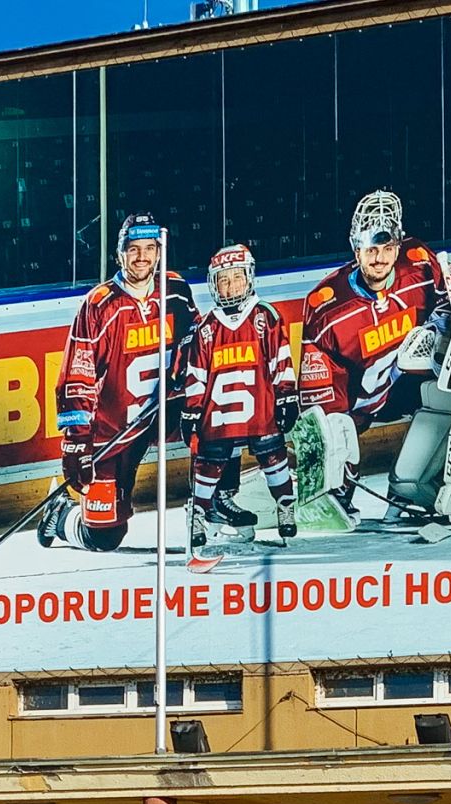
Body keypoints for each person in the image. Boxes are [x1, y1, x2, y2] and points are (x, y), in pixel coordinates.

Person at [295, 189, 451, 524]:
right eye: (370, 249)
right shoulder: (327, 304)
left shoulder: (419, 263)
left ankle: (414, 487)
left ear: (398, 247)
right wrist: (335, 466)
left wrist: (439, 327)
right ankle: (333, 491)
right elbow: (322, 396)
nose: (379, 258)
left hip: (409, 382)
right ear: (356, 249)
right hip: (359, 397)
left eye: (387, 248)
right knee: (333, 424)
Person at [41, 211, 197, 553]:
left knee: (216, 421)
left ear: (160, 251)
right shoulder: (98, 305)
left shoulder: (177, 290)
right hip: (114, 430)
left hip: (163, 414)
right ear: (119, 253)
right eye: (133, 248)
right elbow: (76, 378)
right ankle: (62, 516)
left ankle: (212, 512)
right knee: (104, 536)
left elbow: (195, 347)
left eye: (150, 248)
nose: (142, 256)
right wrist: (77, 444)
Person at [181, 241, 300, 550]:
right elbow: (197, 374)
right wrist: (192, 410)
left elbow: (281, 360)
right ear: (214, 284)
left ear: (249, 278)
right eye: (223, 279)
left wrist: (286, 395)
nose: (230, 285)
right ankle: (198, 513)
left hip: (258, 406)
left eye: (236, 277)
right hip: (220, 413)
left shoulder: (265, 317)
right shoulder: (206, 328)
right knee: (211, 458)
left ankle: (285, 504)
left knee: (272, 452)